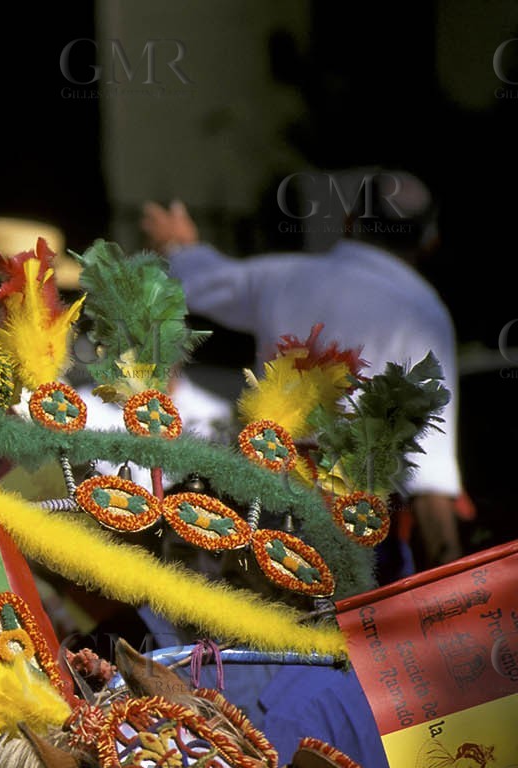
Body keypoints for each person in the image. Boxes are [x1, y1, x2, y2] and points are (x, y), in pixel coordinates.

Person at [139, 173, 464, 567]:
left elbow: (200, 280)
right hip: (358, 533)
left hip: (267, 514)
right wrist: (456, 584)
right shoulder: (425, 314)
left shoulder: (287, 277)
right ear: (430, 241)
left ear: (349, 220)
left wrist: (178, 244)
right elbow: (428, 472)